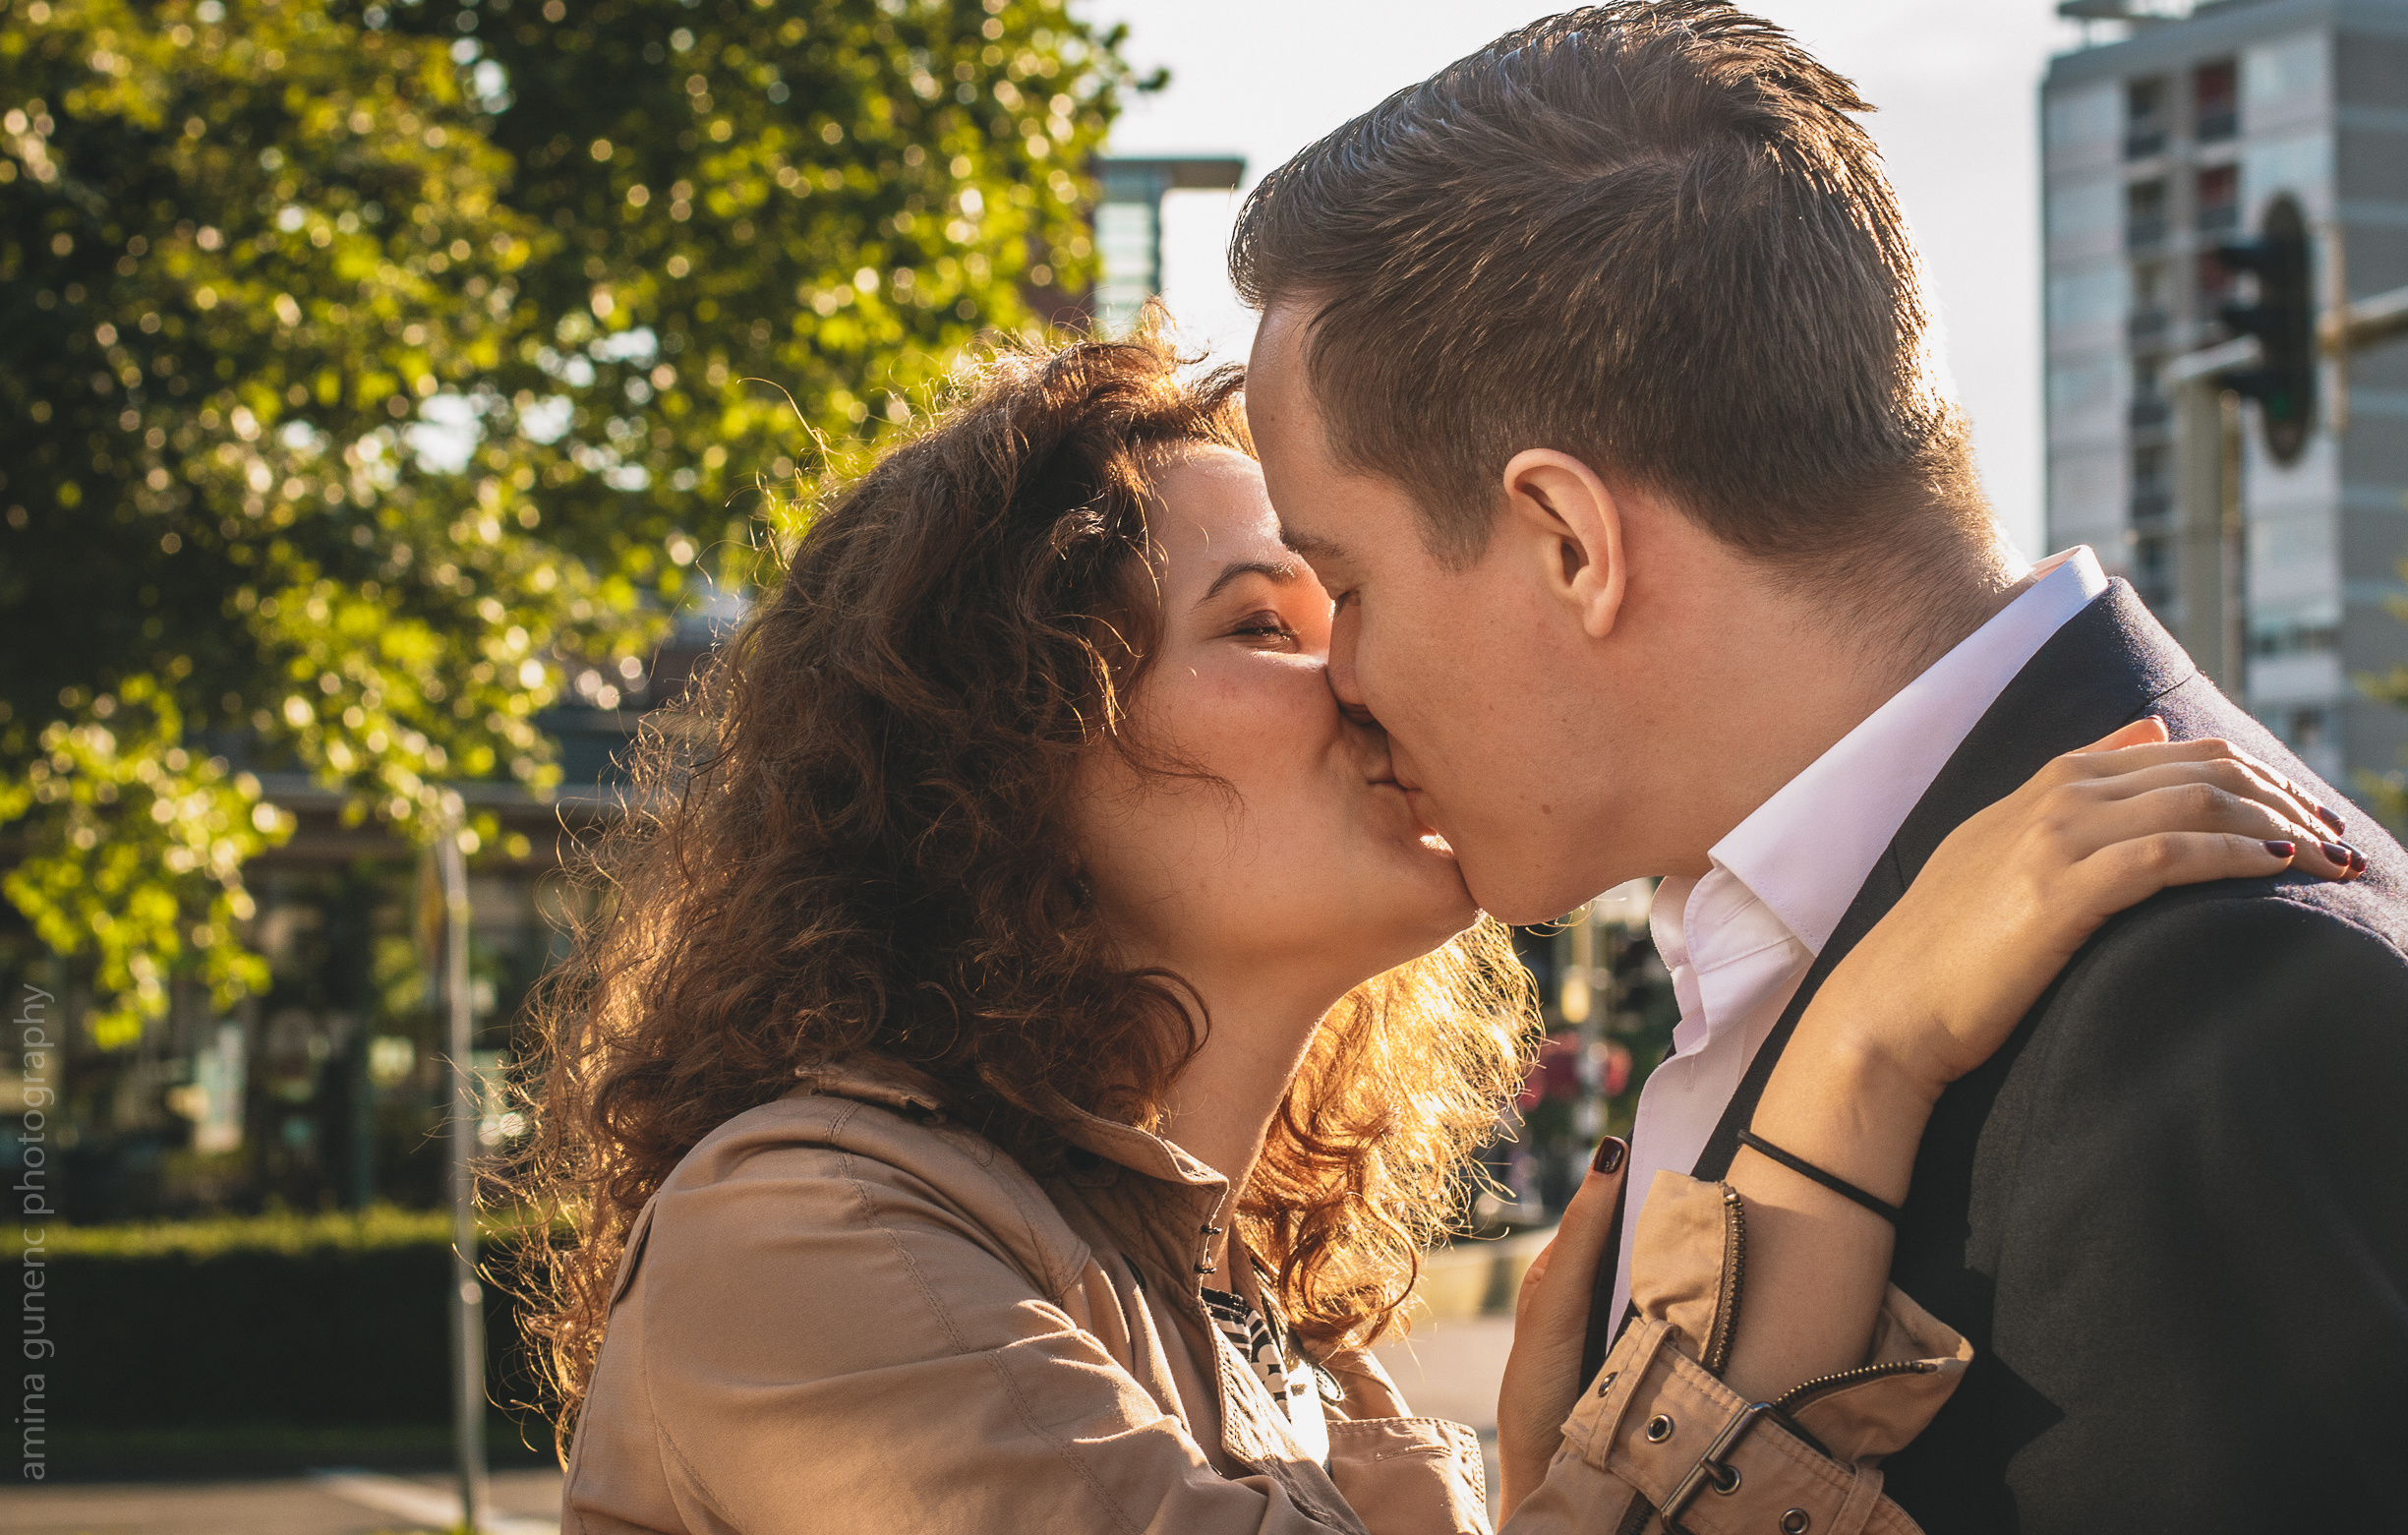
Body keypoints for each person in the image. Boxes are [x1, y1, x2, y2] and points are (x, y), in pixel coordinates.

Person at [522, 329, 2353, 1535]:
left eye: (1355, 599)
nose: (1367, 673)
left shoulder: (1297, 1354)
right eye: (1264, 622)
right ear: (1003, 757)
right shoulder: (806, 1235)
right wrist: (1855, 1056)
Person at [1231, 0, 2408, 1532]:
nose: (1344, 677)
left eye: (1349, 581)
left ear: (1570, 541)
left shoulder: (2200, 1000)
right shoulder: (1823, 933)